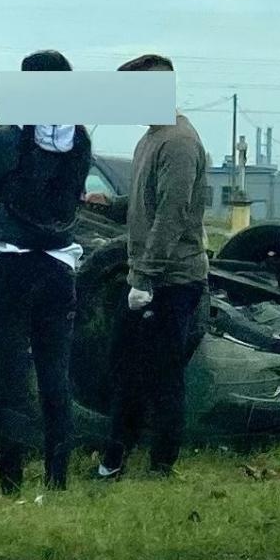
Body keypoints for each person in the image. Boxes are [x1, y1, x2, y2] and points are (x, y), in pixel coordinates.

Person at [0, 49, 91, 497]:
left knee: (11, 379)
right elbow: (72, 198)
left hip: (9, 263)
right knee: (56, 376)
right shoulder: (79, 140)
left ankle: (11, 483)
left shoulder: (8, 140)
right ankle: (57, 479)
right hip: (58, 264)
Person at [95, 53, 210, 480]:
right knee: (125, 369)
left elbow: (172, 215)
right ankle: (115, 460)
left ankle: (161, 468)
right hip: (150, 275)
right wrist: (113, 206)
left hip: (172, 280)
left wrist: (144, 278)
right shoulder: (150, 139)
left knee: (162, 377)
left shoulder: (178, 142)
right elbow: (148, 203)